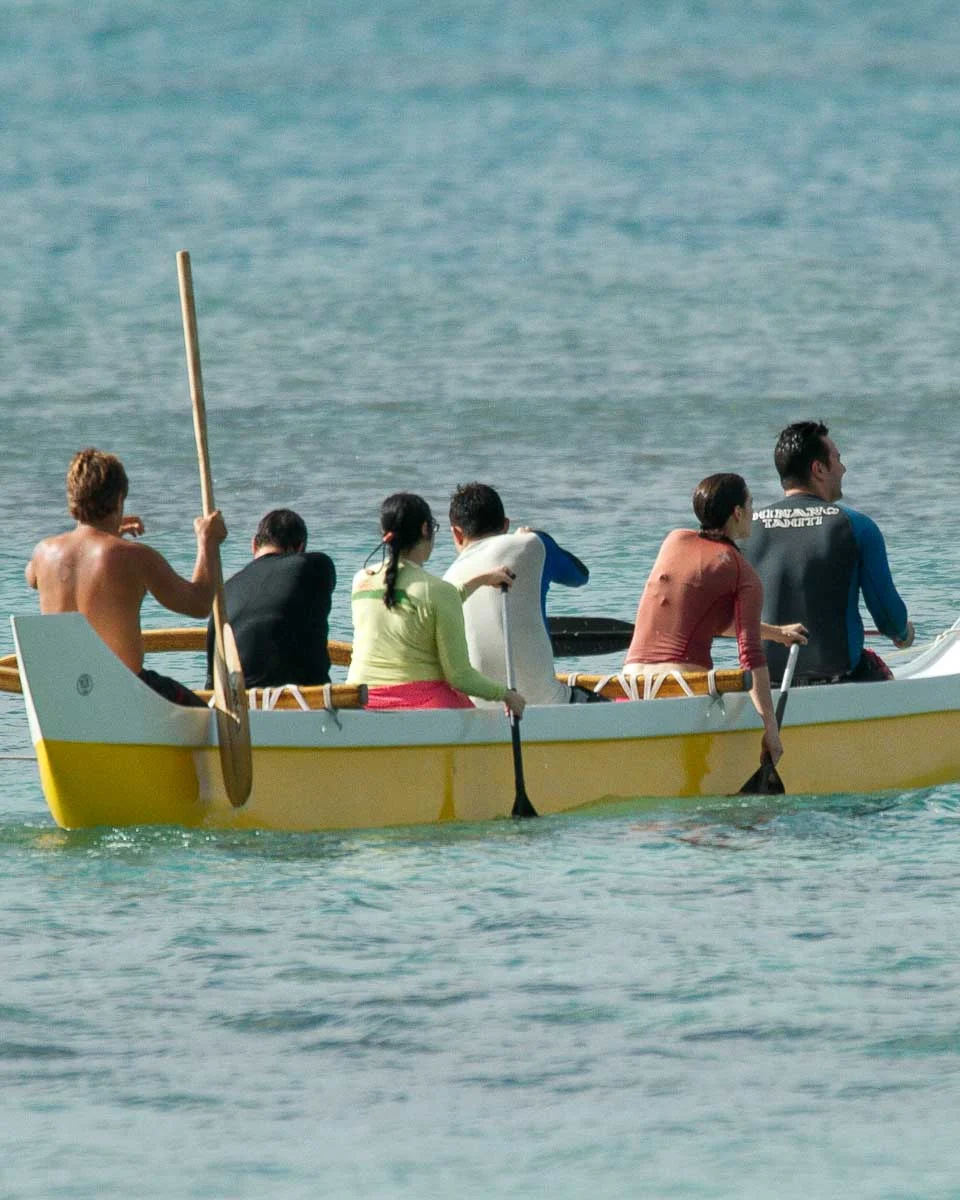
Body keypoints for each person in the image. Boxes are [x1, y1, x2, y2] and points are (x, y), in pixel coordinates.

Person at [624, 473, 809, 767]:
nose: (753, 512)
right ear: (737, 512)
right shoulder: (742, 572)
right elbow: (750, 656)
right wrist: (771, 730)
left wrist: (776, 633)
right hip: (683, 689)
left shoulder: (673, 541)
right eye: (750, 504)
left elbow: (701, 618)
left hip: (630, 683)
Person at [26, 448, 226, 707]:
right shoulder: (135, 557)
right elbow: (199, 604)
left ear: (72, 499)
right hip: (122, 697)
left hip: (62, 698)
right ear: (119, 499)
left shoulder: (43, 554)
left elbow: (33, 576)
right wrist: (207, 543)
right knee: (209, 718)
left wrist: (111, 533)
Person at [744, 421, 914, 685]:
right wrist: (904, 634)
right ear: (819, 469)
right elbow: (889, 618)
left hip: (762, 681)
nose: (843, 468)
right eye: (838, 459)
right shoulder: (856, 526)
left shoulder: (747, 529)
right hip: (836, 679)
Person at [347, 492, 526, 715]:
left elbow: (419, 605)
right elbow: (460, 677)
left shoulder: (360, 580)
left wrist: (480, 580)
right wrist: (506, 694)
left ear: (385, 533)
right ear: (425, 529)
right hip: (421, 703)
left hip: (359, 698)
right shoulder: (438, 592)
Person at [442, 481, 597, 705]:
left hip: (480, 713)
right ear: (505, 525)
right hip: (547, 704)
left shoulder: (448, 581)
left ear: (456, 534)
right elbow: (581, 576)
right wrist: (538, 536)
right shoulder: (533, 544)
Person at [205, 508, 335, 689]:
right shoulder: (317, 565)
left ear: (253, 545)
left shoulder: (224, 589)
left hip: (237, 702)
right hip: (302, 701)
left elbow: (212, 676)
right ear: (300, 548)